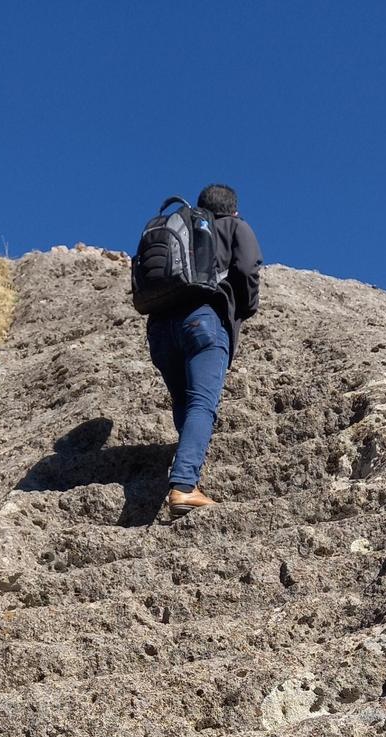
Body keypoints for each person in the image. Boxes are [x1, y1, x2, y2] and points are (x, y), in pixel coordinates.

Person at [146, 184, 262, 516]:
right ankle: (183, 486)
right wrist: (246, 307)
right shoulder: (236, 227)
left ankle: (186, 466)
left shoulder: (182, 226)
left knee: (184, 401)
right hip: (203, 321)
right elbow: (247, 268)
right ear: (234, 210)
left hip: (159, 327)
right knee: (202, 403)